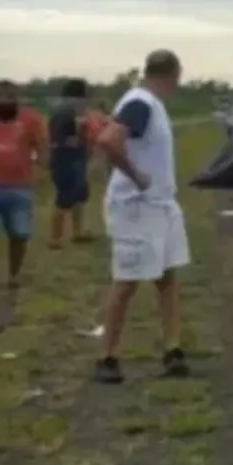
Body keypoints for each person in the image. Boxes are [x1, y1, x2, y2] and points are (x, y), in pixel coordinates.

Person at [93, 50, 190, 383]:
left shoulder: (150, 105)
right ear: (172, 75)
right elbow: (107, 140)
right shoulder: (141, 103)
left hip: (161, 204)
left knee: (168, 277)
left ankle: (172, 349)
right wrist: (136, 175)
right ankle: (107, 356)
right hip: (138, 206)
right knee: (127, 281)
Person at [0, 80, 46, 293]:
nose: (4, 102)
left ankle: (14, 274)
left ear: (16, 99)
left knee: (19, 234)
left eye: (9, 97)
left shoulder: (31, 119)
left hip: (19, 186)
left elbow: (41, 146)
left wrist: (40, 168)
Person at [48, 78, 97, 248]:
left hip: (77, 157)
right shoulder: (63, 111)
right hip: (65, 158)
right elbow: (58, 138)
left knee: (80, 194)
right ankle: (55, 238)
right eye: (86, 94)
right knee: (65, 196)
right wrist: (79, 134)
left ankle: (77, 232)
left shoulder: (76, 111)